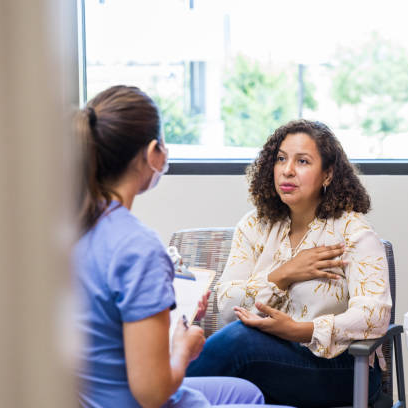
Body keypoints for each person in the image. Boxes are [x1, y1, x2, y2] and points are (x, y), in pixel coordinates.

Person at [73, 85, 290, 408]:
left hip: (96, 393)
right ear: (152, 153)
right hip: (141, 397)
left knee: (248, 392)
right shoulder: (137, 246)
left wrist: (173, 314)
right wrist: (183, 348)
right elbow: (152, 392)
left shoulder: (73, 226)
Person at [186, 120, 392, 407]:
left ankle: (153, 393)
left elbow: (375, 315)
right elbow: (227, 305)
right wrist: (283, 274)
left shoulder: (353, 232)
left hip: (341, 368)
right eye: (281, 158)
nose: (287, 170)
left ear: (328, 174)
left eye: (303, 161)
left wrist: (301, 330)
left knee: (238, 341)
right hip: (269, 362)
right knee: (236, 343)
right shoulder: (254, 225)